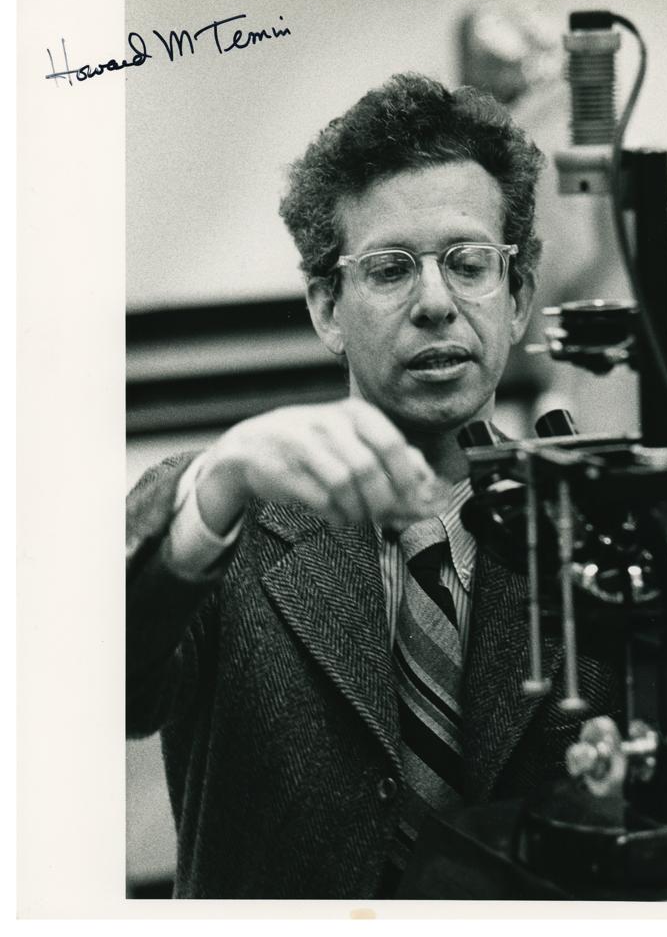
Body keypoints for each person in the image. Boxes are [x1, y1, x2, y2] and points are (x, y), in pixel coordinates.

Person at [126, 72, 614, 899]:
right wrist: (219, 481)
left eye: (469, 264)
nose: (436, 303)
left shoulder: (597, 524)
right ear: (327, 306)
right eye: (390, 270)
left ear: (518, 298)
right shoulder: (221, 514)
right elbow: (106, 688)